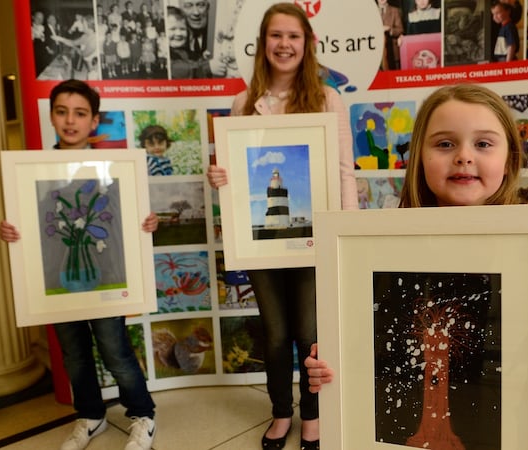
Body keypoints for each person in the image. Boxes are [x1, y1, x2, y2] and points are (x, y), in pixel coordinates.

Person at [304, 84, 528, 408]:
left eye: (483, 143)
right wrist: (334, 357)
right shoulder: (384, 250)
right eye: (445, 144)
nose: (464, 156)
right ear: (419, 158)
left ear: (509, 159)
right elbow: (371, 336)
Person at [206, 4, 357, 449]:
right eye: (276, 35)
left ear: (307, 43)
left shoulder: (329, 99)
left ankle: (313, 416)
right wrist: (221, 177)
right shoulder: (243, 103)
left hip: (315, 237)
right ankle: (280, 412)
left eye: (293, 36)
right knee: (274, 334)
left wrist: (343, 235)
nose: (284, 44)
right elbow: (238, 173)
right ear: (263, 43)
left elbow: (345, 171)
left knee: (309, 334)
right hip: (263, 242)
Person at [0, 80, 158, 450]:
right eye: (62, 111)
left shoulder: (113, 167)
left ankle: (142, 413)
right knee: (74, 354)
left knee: (115, 349)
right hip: (59, 277)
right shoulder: (34, 170)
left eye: (80, 113)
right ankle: (90, 414)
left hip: (105, 279)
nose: (70, 121)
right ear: (52, 116)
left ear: (94, 121)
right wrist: (11, 231)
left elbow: (126, 220)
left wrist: (146, 224)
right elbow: (35, 227)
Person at [178, 0, 227, 78]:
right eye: (188, 6)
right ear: (180, 9)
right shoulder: (175, 38)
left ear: (208, 7)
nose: (196, 12)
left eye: (201, 5)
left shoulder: (219, 33)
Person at [376, 0, 404, 71]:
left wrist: (390, 29)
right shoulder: (371, 11)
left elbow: (400, 29)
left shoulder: (395, 10)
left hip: (392, 51)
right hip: (376, 51)